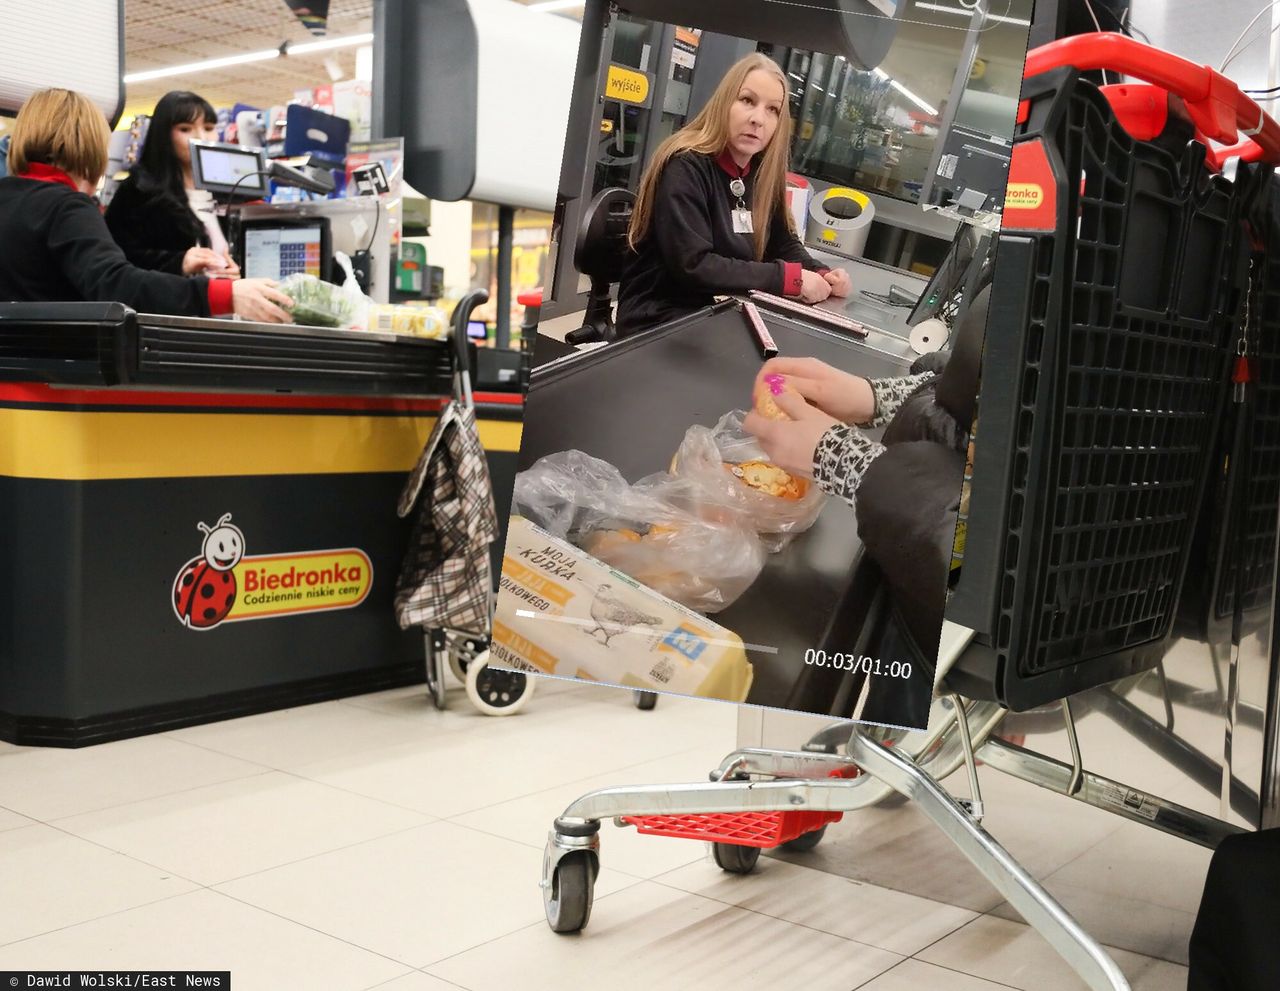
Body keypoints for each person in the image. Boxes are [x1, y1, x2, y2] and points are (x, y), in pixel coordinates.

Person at [0, 89, 290, 323]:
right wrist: (224, 294)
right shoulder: (66, 206)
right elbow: (117, 284)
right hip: (51, 383)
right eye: (186, 128)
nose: (200, 138)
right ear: (91, 143)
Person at [616, 53, 853, 336]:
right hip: (658, 321)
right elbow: (695, 265)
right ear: (724, 102)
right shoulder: (684, 166)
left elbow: (781, 242)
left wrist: (819, 272)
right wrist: (789, 279)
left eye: (772, 110)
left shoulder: (760, 174)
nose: (758, 119)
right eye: (747, 101)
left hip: (718, 311)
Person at [105, 90, 238, 277]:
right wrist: (178, 263)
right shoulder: (139, 190)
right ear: (164, 135)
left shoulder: (224, 193)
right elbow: (116, 258)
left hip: (218, 301)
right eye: (185, 129)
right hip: (165, 304)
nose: (201, 138)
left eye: (208, 128)